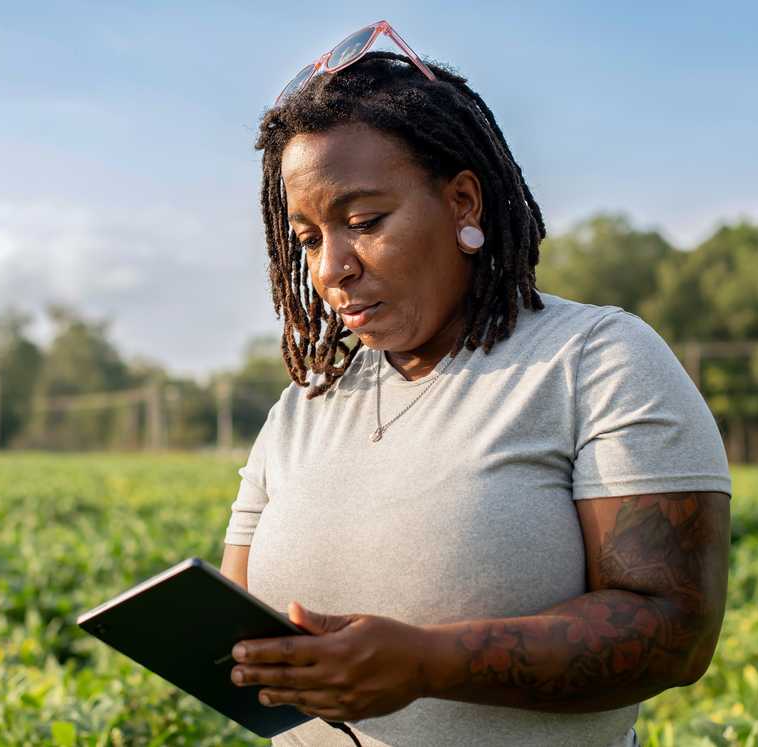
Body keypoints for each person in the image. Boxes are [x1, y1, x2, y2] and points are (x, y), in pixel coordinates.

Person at [219, 21, 731, 747]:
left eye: (364, 220)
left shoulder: (595, 361)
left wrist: (428, 662)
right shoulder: (304, 406)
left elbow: (673, 630)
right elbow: (235, 615)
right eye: (306, 238)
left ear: (463, 202)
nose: (331, 268)